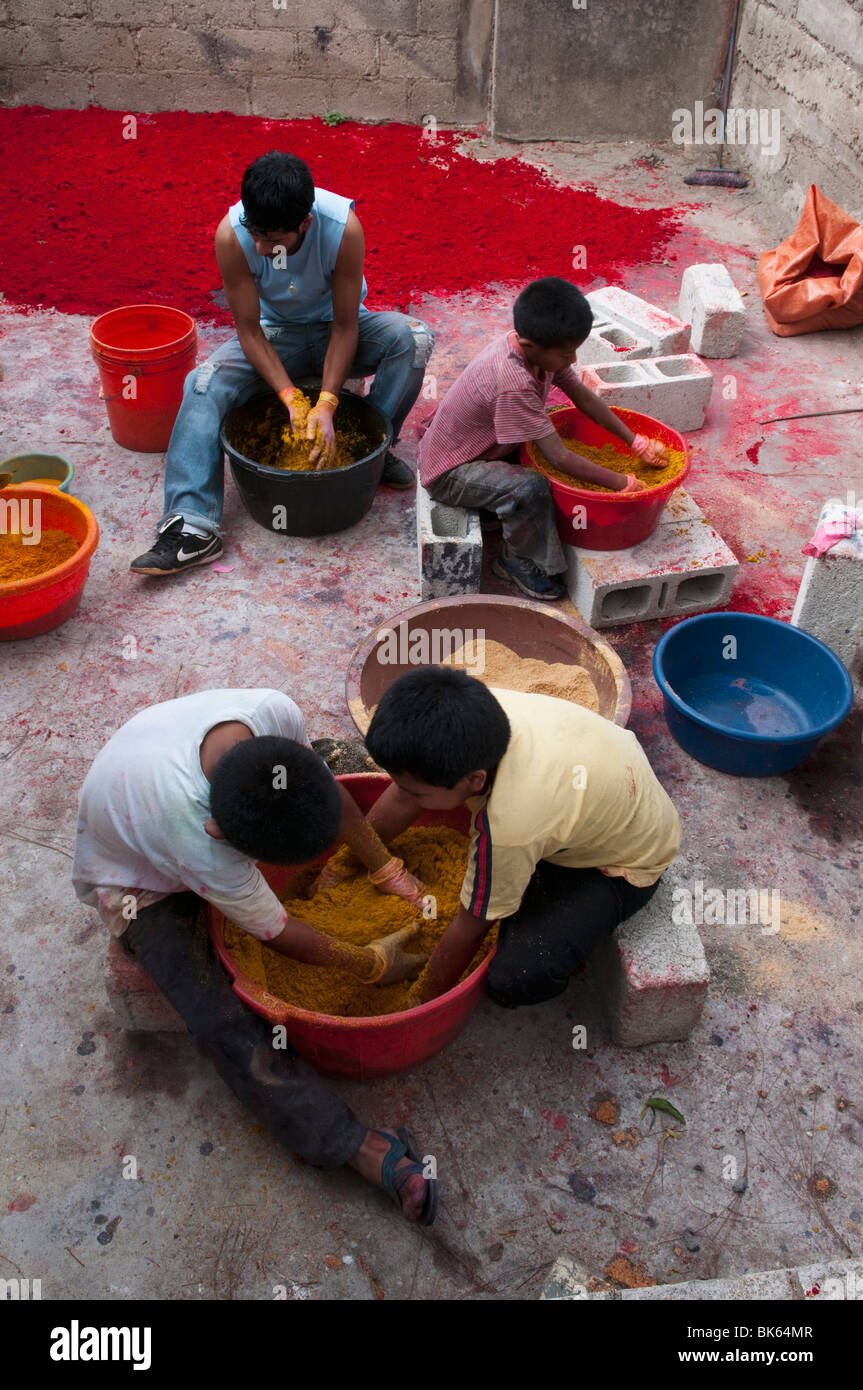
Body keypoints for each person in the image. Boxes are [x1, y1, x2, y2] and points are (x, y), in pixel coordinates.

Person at [72, 687, 438, 1224]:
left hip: (153, 792)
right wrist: (371, 962)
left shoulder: (273, 710)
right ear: (225, 837)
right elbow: (279, 932)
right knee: (217, 1019)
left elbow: (324, 788)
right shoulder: (198, 838)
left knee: (350, 763)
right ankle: (358, 1147)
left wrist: (385, 868)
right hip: (137, 880)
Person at [131, 151, 434, 575]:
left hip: (337, 326)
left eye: (271, 239)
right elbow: (249, 330)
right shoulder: (232, 235)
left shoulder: (341, 229)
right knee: (202, 382)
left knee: (413, 339)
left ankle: (369, 453)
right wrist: (290, 396)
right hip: (277, 335)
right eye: (254, 232)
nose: (259, 247)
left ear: (304, 224)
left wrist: (327, 404)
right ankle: (193, 526)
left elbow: (347, 326)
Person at [361, 667, 681, 1008]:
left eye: (418, 794)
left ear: (473, 780)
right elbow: (402, 794)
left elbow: (472, 925)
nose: (406, 795)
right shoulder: (473, 713)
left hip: (625, 860)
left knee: (516, 977)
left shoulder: (508, 826)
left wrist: (419, 1002)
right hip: (602, 789)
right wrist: (345, 862)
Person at [417, 276, 669, 601]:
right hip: (449, 471)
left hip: (478, 447)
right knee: (531, 487)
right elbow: (560, 457)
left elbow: (581, 394)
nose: (573, 361)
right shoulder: (514, 381)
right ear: (530, 344)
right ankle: (517, 560)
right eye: (567, 355)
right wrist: (622, 484)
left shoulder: (537, 351)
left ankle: (499, 509)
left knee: (546, 430)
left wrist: (636, 442)